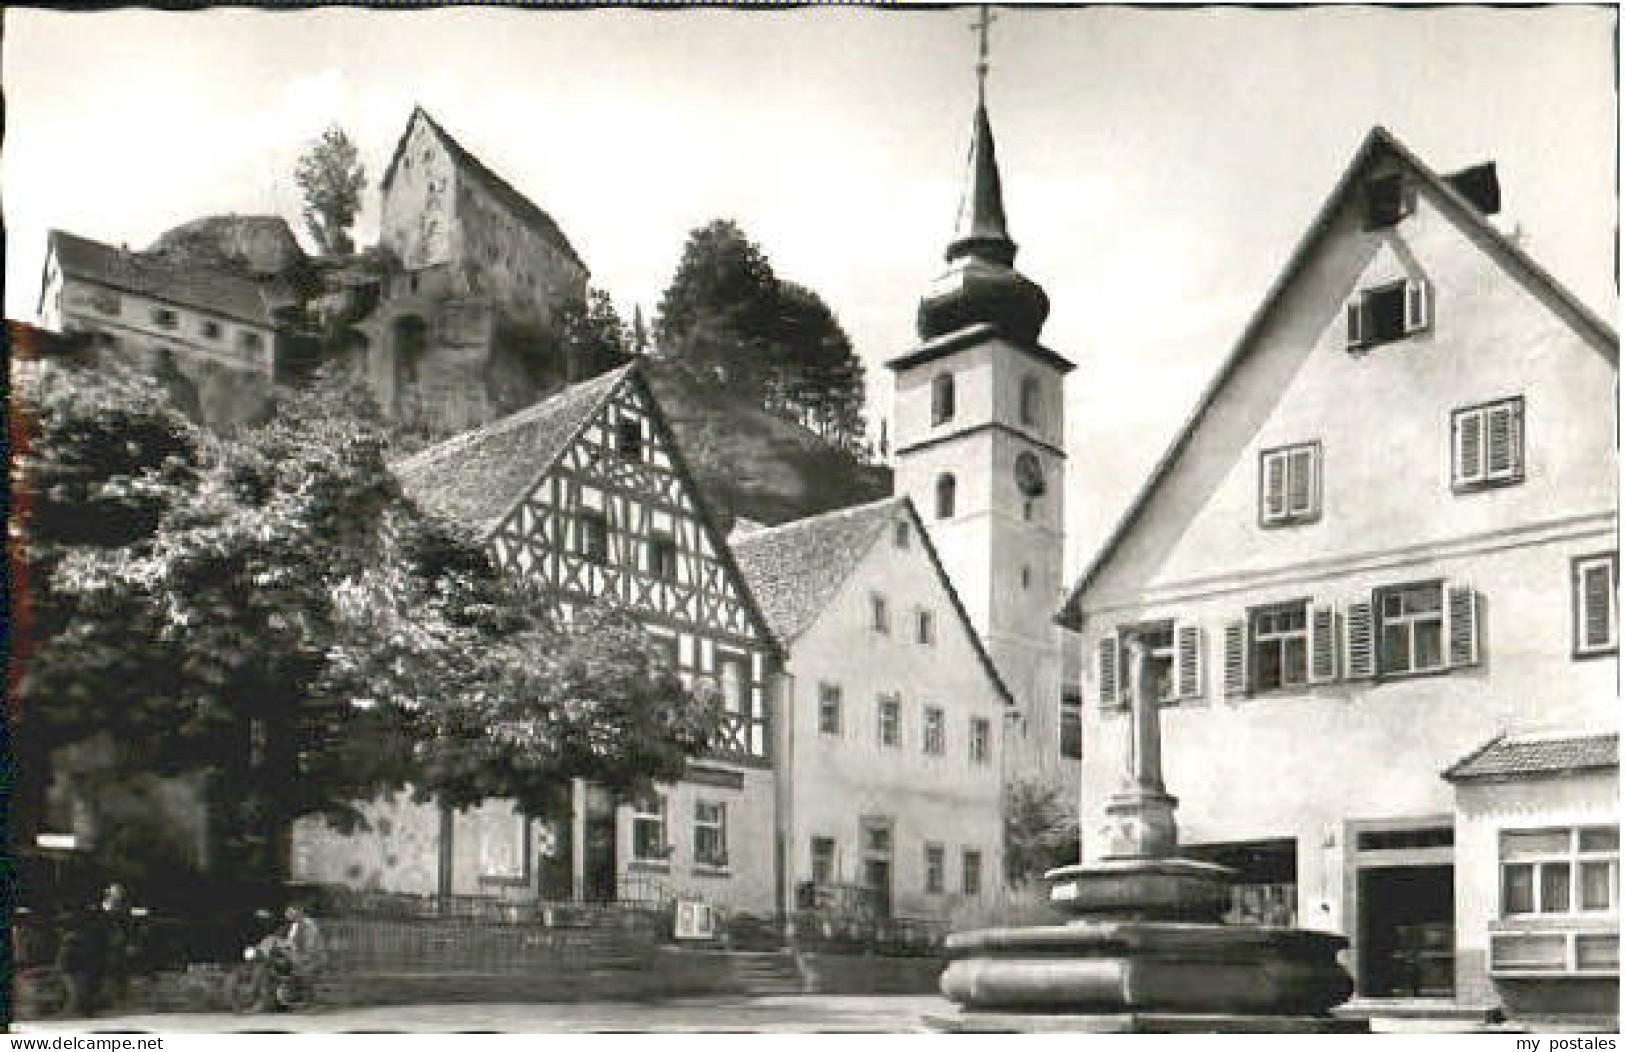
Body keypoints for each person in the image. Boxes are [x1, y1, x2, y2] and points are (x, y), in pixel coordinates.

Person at [278, 903, 327, 992]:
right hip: (301, 956)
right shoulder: (295, 924)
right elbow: (290, 942)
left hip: (312, 958)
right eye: (287, 912)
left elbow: (310, 948)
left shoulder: (308, 926)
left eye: (291, 912)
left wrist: (292, 951)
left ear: (300, 911)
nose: (288, 915)